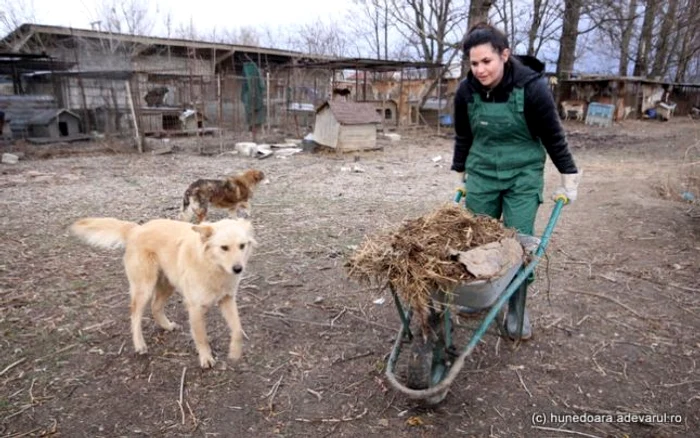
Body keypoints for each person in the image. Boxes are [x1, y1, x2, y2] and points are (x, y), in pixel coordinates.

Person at [451, 23, 580, 341]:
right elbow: (464, 136)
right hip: (481, 174)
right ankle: (477, 296)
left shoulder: (532, 88)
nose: (479, 69)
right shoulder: (466, 91)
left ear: (504, 55)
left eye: (486, 61)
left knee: (519, 241)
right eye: (474, 63)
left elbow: (553, 136)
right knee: (476, 241)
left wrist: (569, 177)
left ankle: (517, 309)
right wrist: (460, 175)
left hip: (522, 176)